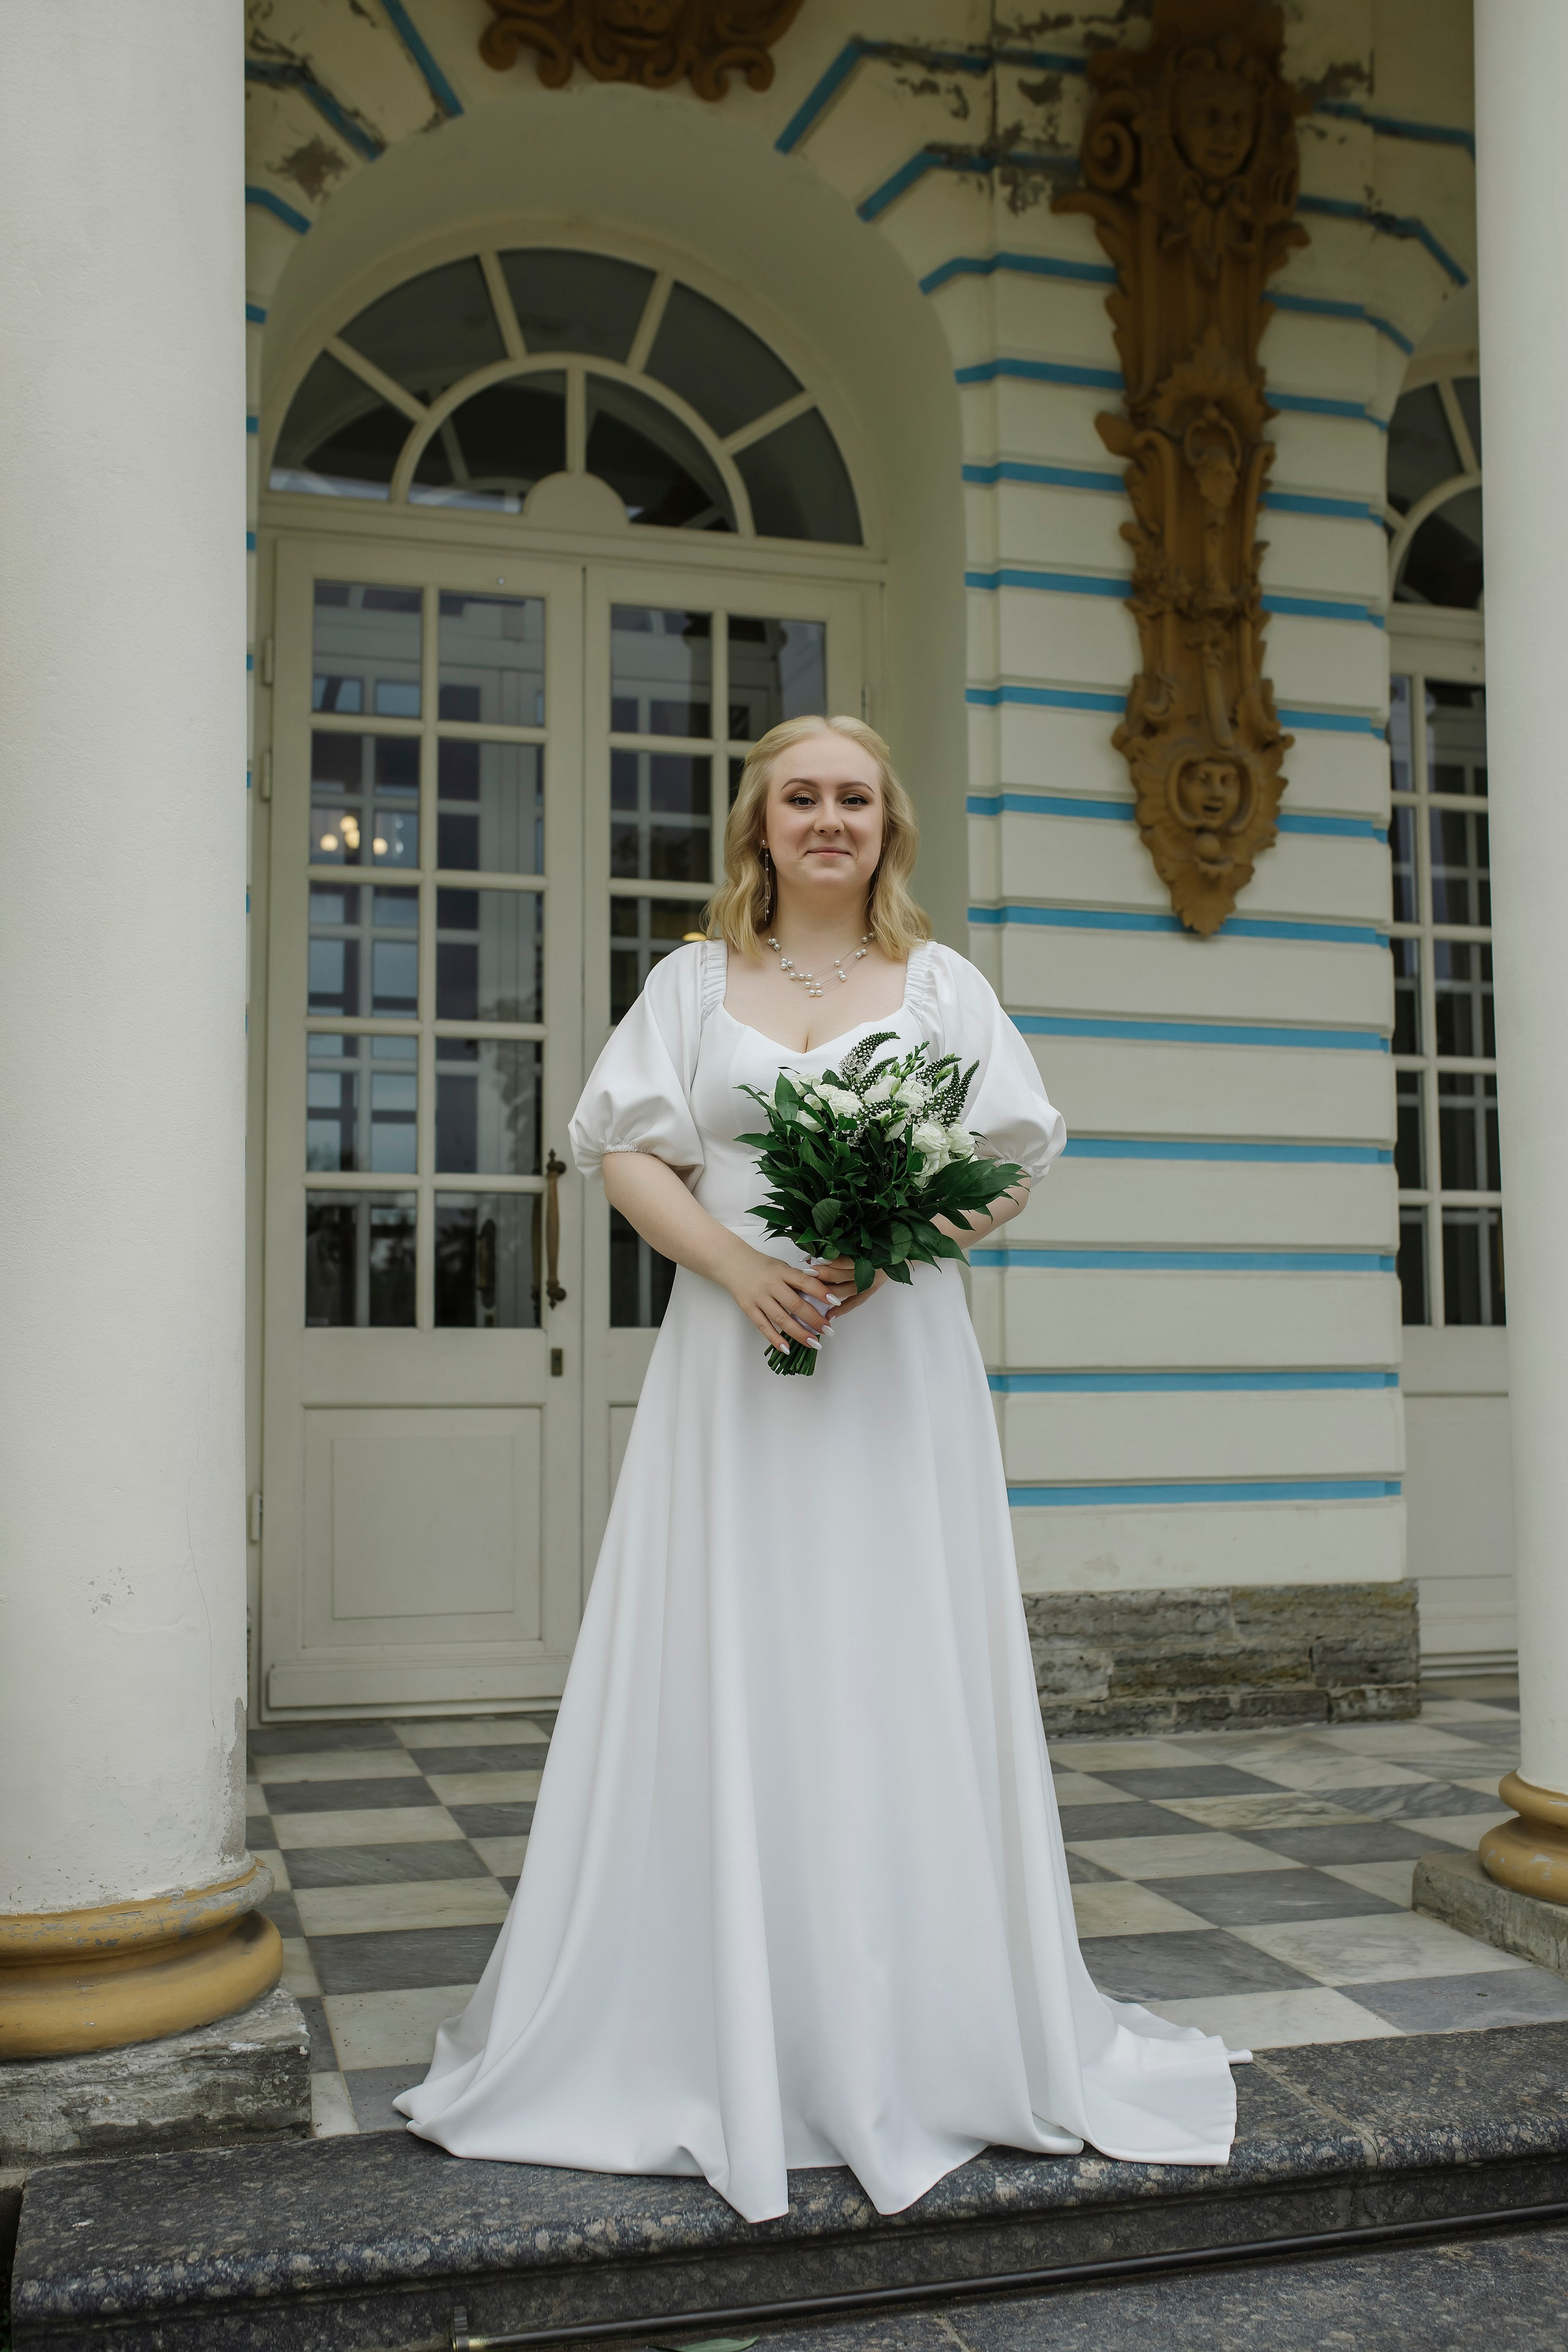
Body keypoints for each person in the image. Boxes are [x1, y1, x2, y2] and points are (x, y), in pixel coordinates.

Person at [396, 716, 1245, 2222]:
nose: (829, 818)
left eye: (854, 796)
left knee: (886, 1656)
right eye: (802, 796)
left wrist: (895, 1236)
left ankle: (923, 2024)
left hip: (890, 1364)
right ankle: (704, 2016)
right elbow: (629, 1153)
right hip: (733, 1366)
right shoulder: (687, 982)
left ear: (886, 826)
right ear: (760, 826)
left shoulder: (942, 986)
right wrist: (737, 1266)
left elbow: (1013, 1155)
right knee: (731, 1655)